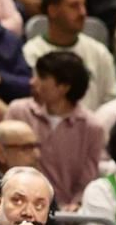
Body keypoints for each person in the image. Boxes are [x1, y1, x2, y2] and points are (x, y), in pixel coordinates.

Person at [6, 51, 106, 211]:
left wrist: (75, 205)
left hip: (67, 216)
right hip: (19, 210)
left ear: (64, 87)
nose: (32, 82)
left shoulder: (92, 127)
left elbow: (88, 178)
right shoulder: (18, 111)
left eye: (42, 77)